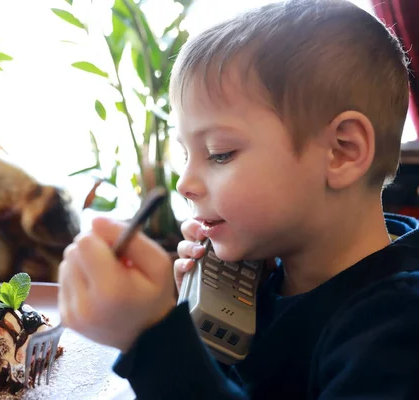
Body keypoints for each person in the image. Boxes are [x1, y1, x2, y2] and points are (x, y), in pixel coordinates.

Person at [57, 0, 419, 398]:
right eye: (185, 155)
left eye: (219, 153)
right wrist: (209, 335)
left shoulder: (396, 331)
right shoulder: (276, 273)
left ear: (341, 151)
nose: (185, 183)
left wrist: (154, 344)